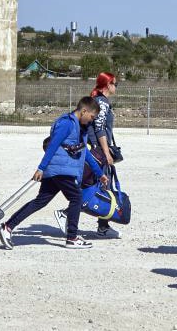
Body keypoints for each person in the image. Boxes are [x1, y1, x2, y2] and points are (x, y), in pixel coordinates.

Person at [0, 97, 108, 250]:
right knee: (76, 198)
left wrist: (99, 172)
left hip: (58, 170)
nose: (91, 121)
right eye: (91, 117)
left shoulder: (79, 128)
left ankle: (7, 227)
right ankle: (72, 237)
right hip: (61, 169)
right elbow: (53, 144)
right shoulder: (67, 123)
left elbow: (85, 153)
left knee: (40, 201)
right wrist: (41, 168)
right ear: (84, 111)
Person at [54, 72, 123, 238]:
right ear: (108, 85)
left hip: (94, 149)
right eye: (115, 84)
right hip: (97, 151)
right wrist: (106, 152)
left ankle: (103, 225)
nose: (116, 87)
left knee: (99, 187)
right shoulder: (103, 103)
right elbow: (99, 130)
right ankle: (68, 214)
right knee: (97, 188)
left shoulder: (97, 101)